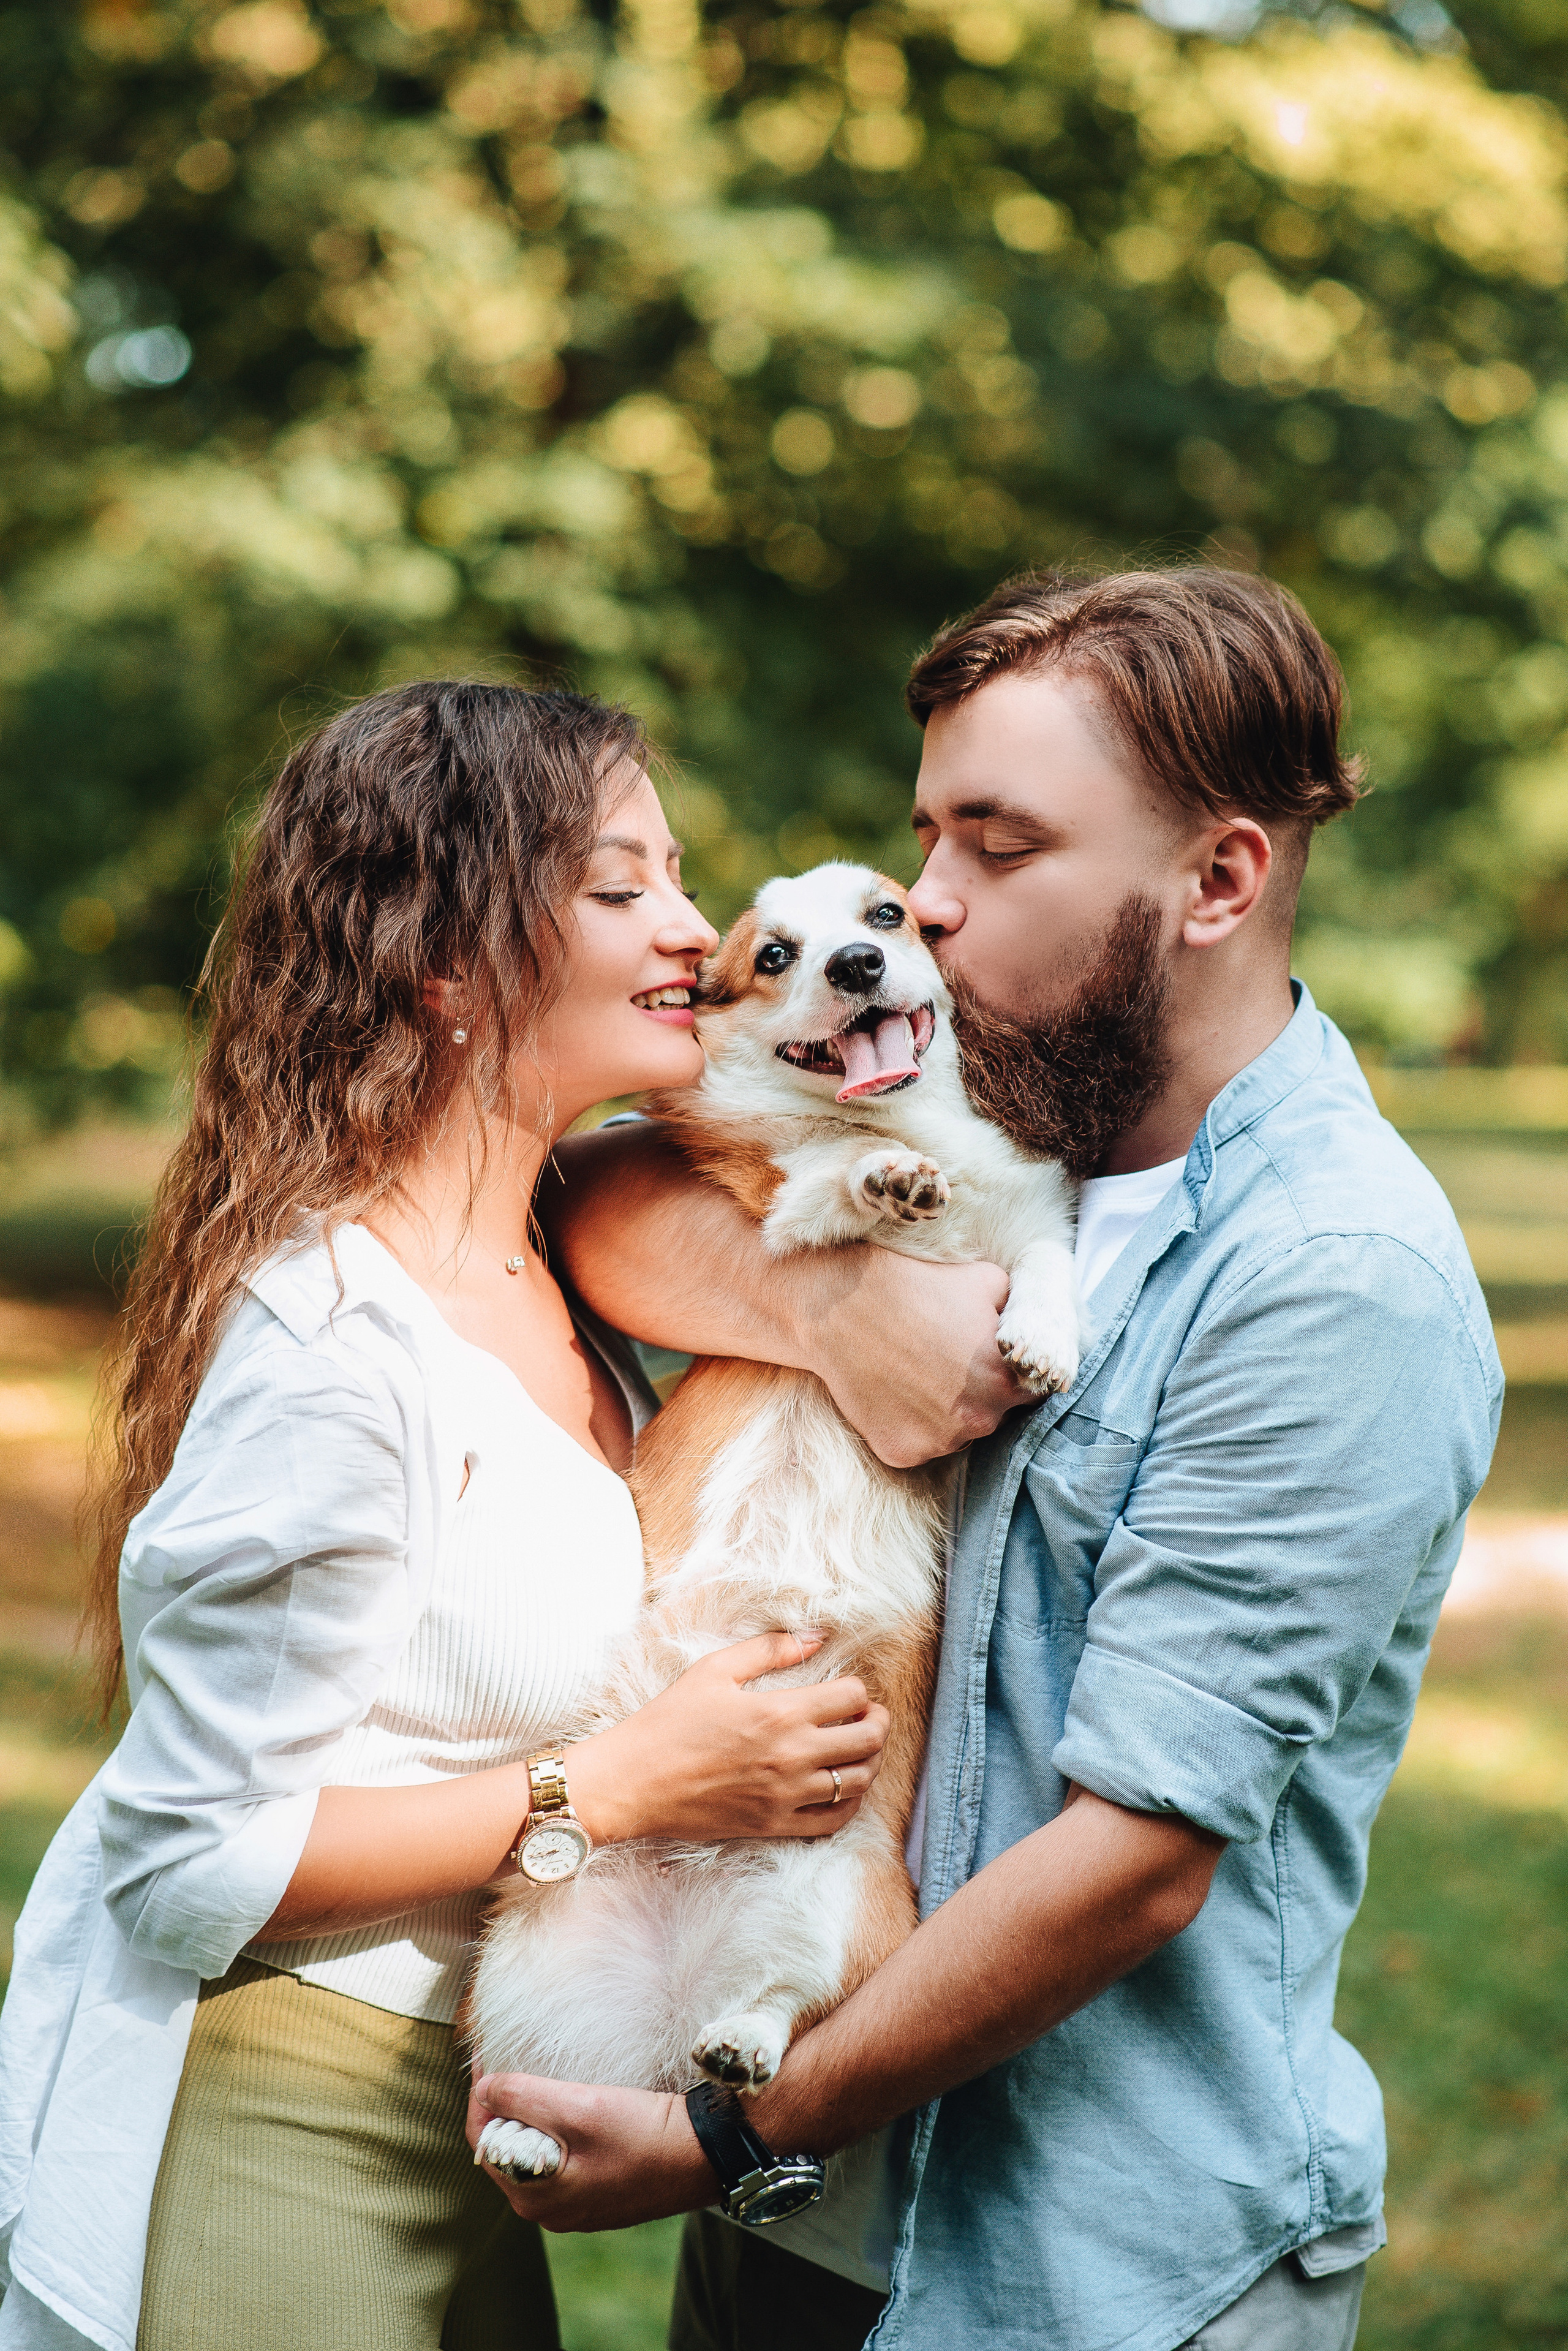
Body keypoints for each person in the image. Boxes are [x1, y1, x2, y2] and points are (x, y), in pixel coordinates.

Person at [468, 570, 1502, 2351]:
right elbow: (603, 1185)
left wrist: (739, 2130)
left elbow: (1136, 1855)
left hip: (1094, 2256)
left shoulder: (1335, 1280)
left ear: (1219, 881)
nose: (925, 906)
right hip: (810, 2218)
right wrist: (828, 1311)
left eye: (1000, 849)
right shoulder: (979, 1112)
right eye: (928, 835)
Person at [0, 684, 889, 2351]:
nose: (696, 929)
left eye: (680, 876)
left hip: (482, 2106)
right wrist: (619, 1786)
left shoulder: (567, 1270)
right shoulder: (338, 1354)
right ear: (450, 969)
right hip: (276, 2112)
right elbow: (185, 1865)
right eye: (624, 889)